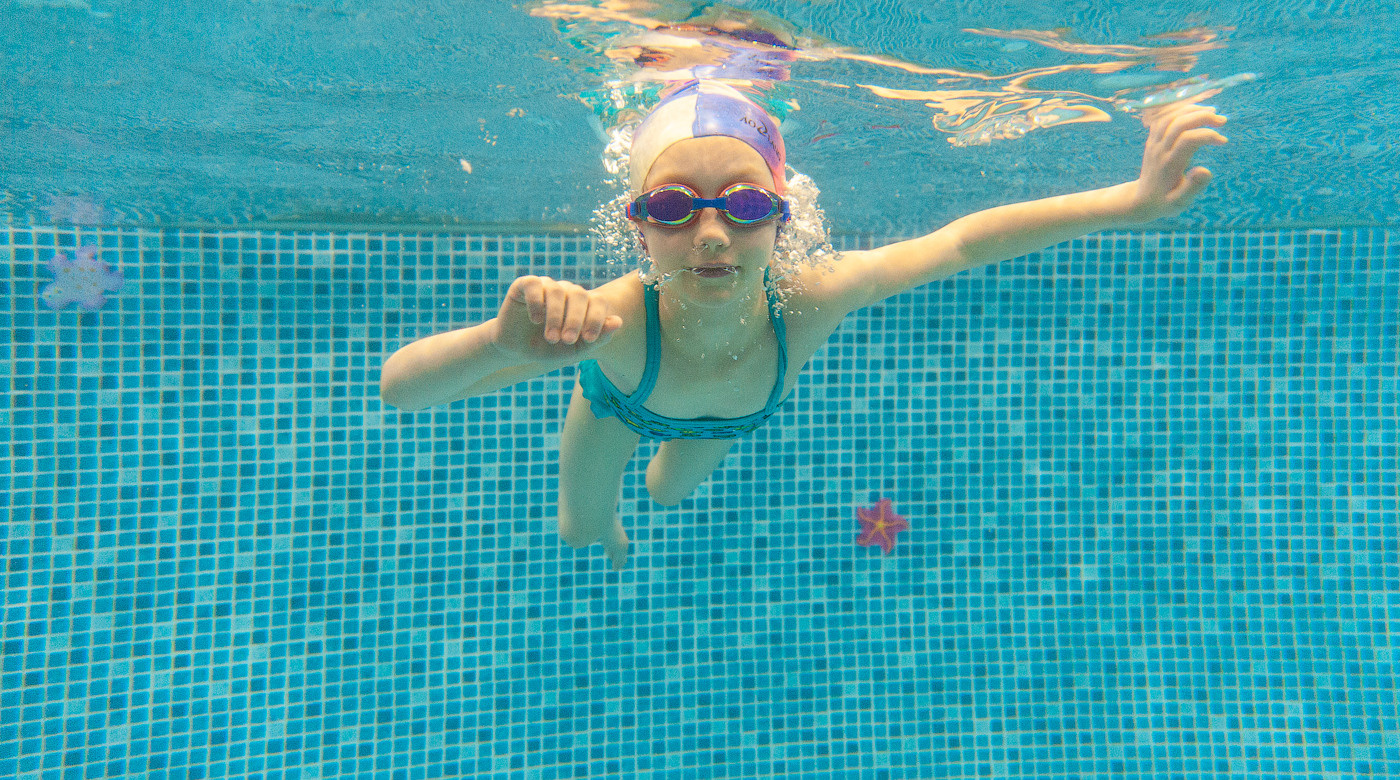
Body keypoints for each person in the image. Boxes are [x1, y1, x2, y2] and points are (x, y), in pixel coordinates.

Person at [380, 79, 1227, 570]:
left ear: (783, 216)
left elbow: (963, 242)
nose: (711, 234)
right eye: (674, 206)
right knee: (584, 526)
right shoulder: (612, 320)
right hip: (617, 403)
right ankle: (609, 536)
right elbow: (401, 391)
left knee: (670, 488)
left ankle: (648, 499)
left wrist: (1132, 199)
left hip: (731, 419)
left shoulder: (812, 299)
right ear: (636, 222)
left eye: (745, 204)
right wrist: (496, 345)